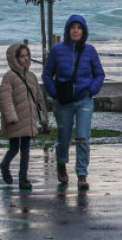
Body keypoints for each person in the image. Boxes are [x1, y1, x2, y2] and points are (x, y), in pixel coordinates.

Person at [42, 15, 105, 191]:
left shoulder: (90, 51)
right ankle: (61, 164)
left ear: (84, 31)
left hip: (83, 99)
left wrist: (91, 89)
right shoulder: (57, 50)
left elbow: (99, 74)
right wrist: (54, 93)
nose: (76, 30)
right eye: (73, 27)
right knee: (64, 138)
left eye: (79, 27)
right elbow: (47, 74)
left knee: (83, 137)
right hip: (63, 100)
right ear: (68, 30)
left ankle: (82, 174)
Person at [0, 43, 48, 190]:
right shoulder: (9, 77)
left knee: (26, 149)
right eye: (22, 56)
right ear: (14, 59)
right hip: (15, 120)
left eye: (27, 55)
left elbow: (39, 98)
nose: (26, 59)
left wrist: (43, 117)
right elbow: (6, 98)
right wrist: (11, 117)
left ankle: (23, 178)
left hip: (29, 119)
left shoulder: (31, 76)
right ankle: (4, 165)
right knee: (14, 148)